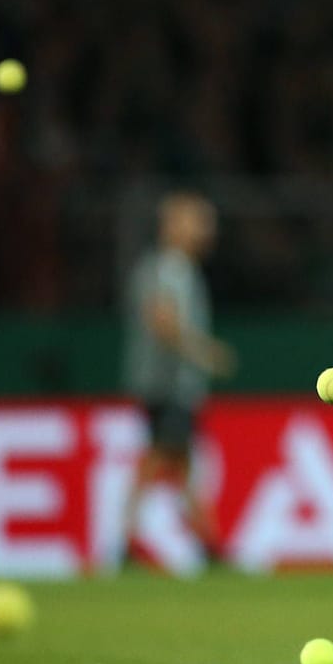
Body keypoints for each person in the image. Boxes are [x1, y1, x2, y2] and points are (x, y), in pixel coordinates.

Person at [121, 192, 234, 567]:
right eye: (198, 221)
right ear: (172, 225)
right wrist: (205, 352)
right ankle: (128, 539)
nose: (207, 230)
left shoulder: (178, 267)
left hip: (175, 383)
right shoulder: (167, 268)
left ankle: (209, 544)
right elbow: (163, 321)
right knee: (159, 456)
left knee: (180, 462)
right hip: (166, 382)